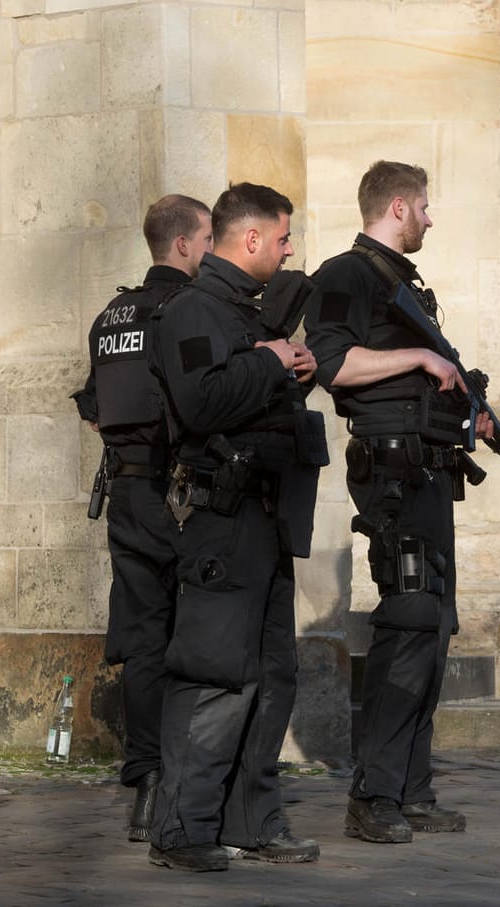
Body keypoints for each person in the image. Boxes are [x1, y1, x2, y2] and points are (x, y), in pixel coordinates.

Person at [145, 182, 323, 872]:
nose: (288, 250)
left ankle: (251, 817)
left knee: (271, 672)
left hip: (265, 515)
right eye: (282, 238)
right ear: (249, 239)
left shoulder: (245, 313)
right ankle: (181, 828)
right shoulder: (193, 310)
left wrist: (292, 370)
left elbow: (250, 393)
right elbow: (199, 402)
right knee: (213, 672)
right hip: (220, 519)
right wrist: (268, 360)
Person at [305, 161, 477, 844]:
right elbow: (331, 363)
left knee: (432, 631)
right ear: (398, 206)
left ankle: (410, 787)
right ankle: (373, 795)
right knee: (406, 625)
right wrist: (417, 362)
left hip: (429, 469)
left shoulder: (404, 285)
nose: (431, 219)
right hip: (390, 471)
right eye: (426, 207)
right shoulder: (347, 274)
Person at [71, 194, 213, 841]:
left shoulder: (112, 314)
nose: (211, 250)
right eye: (208, 238)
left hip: (125, 495)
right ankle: (186, 782)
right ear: (182, 245)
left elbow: (95, 404)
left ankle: (146, 785)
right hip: (179, 495)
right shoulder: (186, 310)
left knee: (143, 644)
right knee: (196, 638)